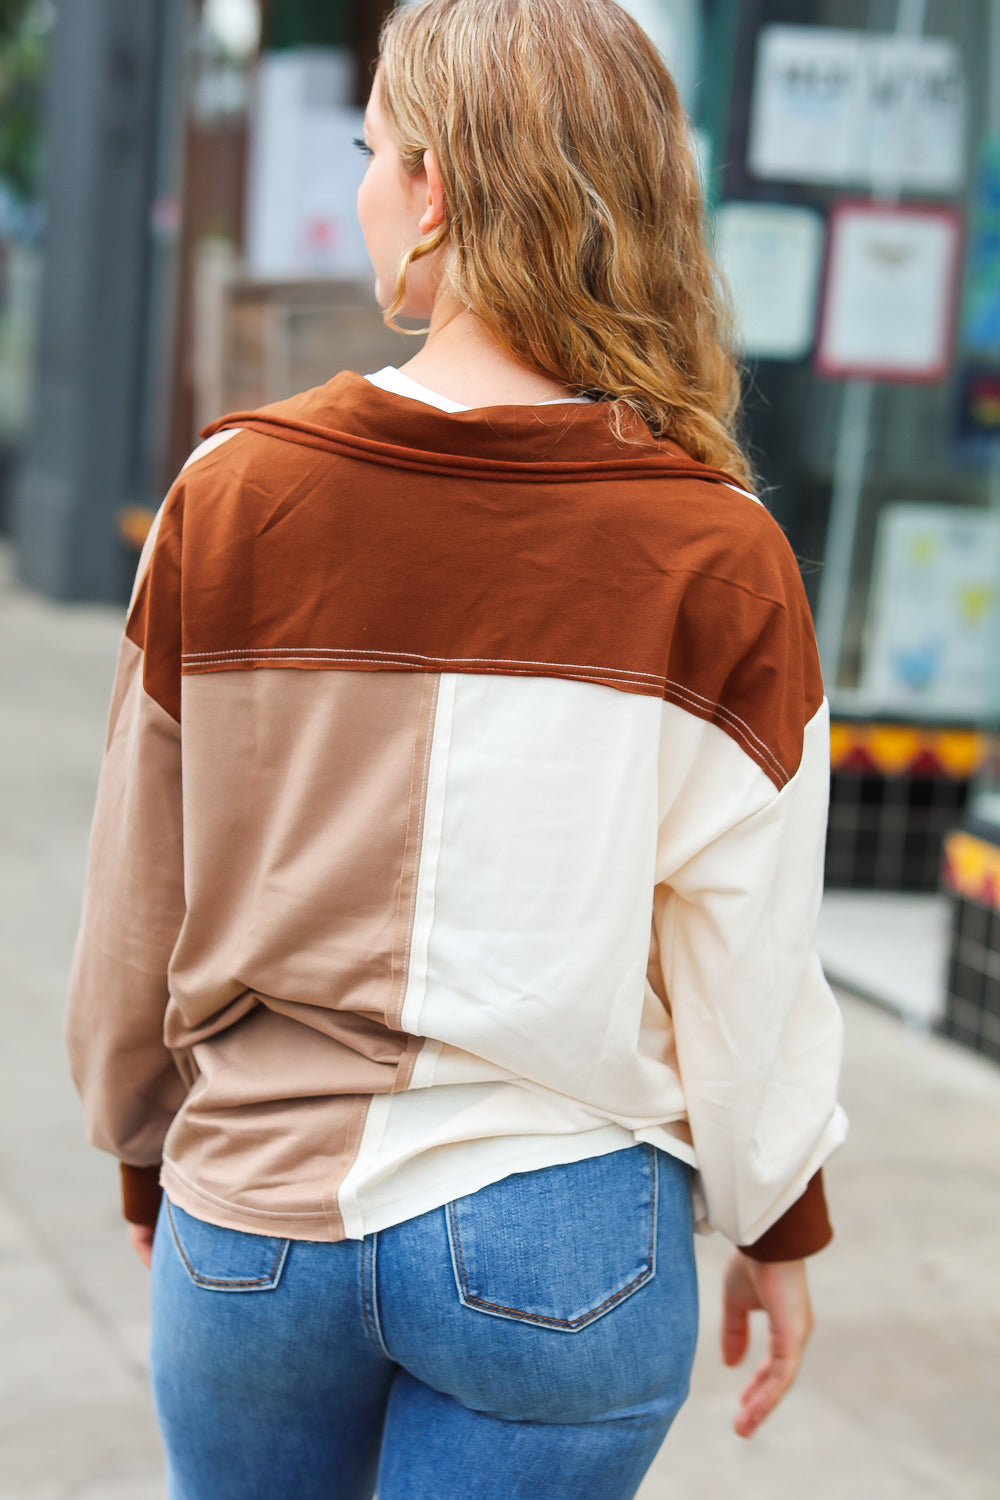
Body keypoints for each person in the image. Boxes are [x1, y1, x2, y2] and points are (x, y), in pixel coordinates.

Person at [66, 2, 847, 1496]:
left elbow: (134, 899)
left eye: (373, 155)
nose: (363, 189)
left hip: (254, 1227)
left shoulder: (229, 495)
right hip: (563, 1244)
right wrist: (776, 1220)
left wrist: (140, 1139)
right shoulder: (720, 551)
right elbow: (749, 961)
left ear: (432, 191)